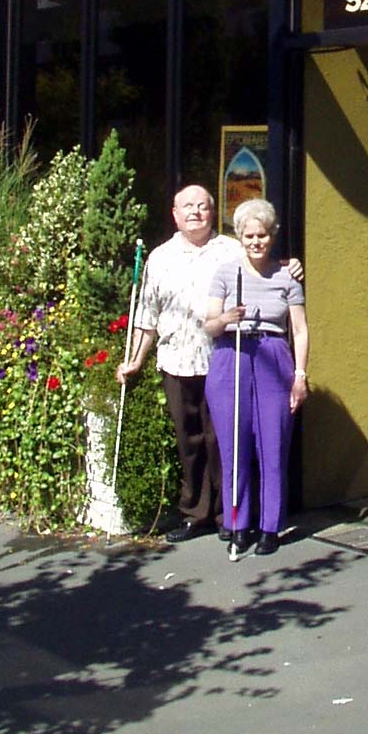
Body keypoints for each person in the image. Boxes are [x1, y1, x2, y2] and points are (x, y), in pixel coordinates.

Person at [116, 185, 301, 543]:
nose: (195, 212)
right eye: (187, 207)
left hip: (225, 361)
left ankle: (227, 516)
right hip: (178, 360)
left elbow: (267, 262)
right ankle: (195, 513)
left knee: (226, 442)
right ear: (175, 214)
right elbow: (147, 314)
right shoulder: (160, 257)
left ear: (213, 213)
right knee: (190, 441)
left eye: (202, 206)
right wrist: (135, 360)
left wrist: (290, 265)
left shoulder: (232, 248)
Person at [204, 198, 309, 556]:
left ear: (271, 235)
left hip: (272, 356)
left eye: (262, 235)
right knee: (234, 445)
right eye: (248, 235)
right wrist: (226, 319)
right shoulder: (224, 273)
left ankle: (270, 527)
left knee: (273, 443)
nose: (255, 242)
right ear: (239, 236)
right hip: (230, 356)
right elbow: (209, 324)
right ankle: (238, 523)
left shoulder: (287, 275)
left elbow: (301, 329)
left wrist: (300, 375)